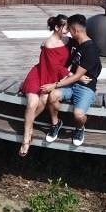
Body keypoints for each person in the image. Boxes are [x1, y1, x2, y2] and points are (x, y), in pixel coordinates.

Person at [42, 14, 102, 147]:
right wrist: (45, 45)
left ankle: (80, 128)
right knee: (53, 96)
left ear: (76, 31)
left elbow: (77, 76)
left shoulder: (91, 50)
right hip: (71, 83)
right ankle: (56, 123)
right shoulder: (75, 42)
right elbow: (58, 42)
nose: (68, 31)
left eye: (69, 29)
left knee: (78, 115)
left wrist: (55, 85)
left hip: (86, 87)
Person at [18, 15, 71, 157]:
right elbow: (55, 66)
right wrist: (71, 74)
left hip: (52, 76)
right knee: (32, 102)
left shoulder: (68, 40)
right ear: (57, 28)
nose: (68, 30)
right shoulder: (49, 43)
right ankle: (26, 138)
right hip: (40, 73)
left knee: (44, 100)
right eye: (66, 27)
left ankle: (28, 124)